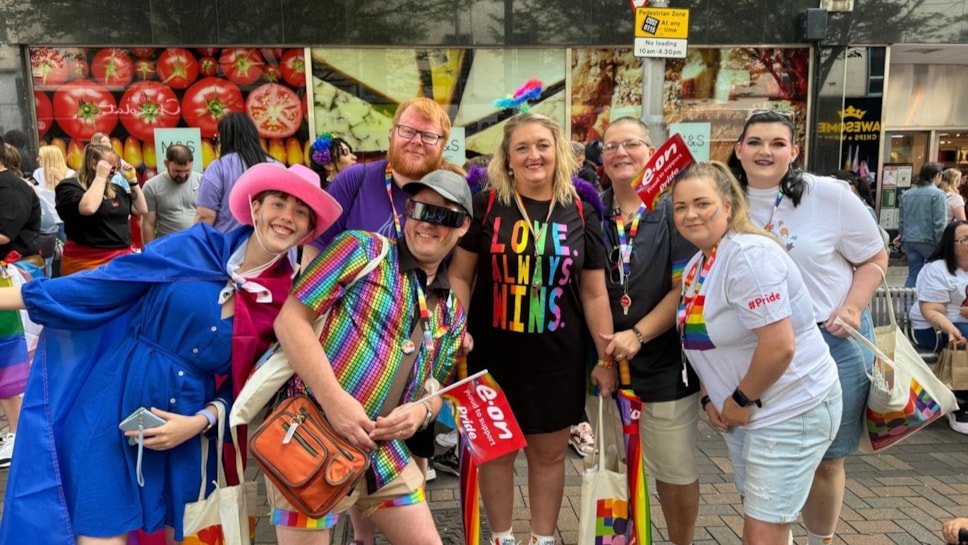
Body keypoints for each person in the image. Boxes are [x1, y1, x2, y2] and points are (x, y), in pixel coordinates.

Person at [0, 162, 342, 544]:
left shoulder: (285, 307)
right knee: (97, 530)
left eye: (301, 213)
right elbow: (104, 285)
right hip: (113, 405)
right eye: (279, 203)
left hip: (189, 437)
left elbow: (254, 389)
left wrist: (199, 422)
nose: (286, 218)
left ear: (309, 230)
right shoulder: (193, 246)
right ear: (256, 205)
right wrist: (8, 299)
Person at [270, 169, 472, 545]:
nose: (426, 224)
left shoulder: (453, 313)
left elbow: (437, 387)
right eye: (419, 209)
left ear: (462, 227)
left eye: (442, 215)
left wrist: (422, 413)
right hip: (310, 439)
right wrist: (335, 402)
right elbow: (290, 322)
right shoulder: (360, 250)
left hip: (385, 455)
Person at [448, 112, 616, 545]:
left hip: (558, 360)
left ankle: (542, 540)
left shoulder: (580, 210)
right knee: (496, 455)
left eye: (542, 144)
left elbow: (595, 293)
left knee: (549, 456)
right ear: (506, 157)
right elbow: (462, 276)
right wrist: (455, 330)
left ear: (558, 151)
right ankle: (502, 538)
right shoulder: (486, 205)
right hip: (491, 357)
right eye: (521, 147)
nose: (533, 155)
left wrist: (605, 358)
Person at [300, 96, 454, 545]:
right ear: (391, 133)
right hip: (350, 346)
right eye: (408, 130)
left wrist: (452, 328)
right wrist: (312, 315)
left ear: (442, 143)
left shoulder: (449, 188)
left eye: (429, 135)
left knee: (407, 446)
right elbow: (315, 252)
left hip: (416, 344)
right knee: (343, 451)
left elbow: (457, 270)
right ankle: (362, 537)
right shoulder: (356, 179)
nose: (416, 141)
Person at [729, 111, 887, 545]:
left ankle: (823, 539)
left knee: (828, 458)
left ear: (794, 151)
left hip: (830, 342)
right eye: (755, 142)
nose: (765, 151)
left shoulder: (829, 195)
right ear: (739, 149)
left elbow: (874, 259)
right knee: (762, 454)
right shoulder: (723, 200)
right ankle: (778, 532)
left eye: (778, 143)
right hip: (756, 350)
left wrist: (853, 308)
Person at [671, 161, 842, 545]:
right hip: (747, 412)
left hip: (788, 406)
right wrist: (707, 397)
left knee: (762, 530)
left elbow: (780, 346)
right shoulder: (701, 262)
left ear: (729, 206)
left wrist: (739, 399)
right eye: (680, 207)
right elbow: (700, 339)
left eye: (702, 203)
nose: (689, 214)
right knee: (764, 515)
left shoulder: (747, 256)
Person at [598, 117, 701, 545]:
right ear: (601, 159)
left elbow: (684, 288)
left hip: (665, 367)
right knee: (613, 469)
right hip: (605, 367)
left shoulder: (675, 209)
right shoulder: (592, 210)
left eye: (632, 144)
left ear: (652, 150)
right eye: (611, 146)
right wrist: (604, 356)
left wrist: (638, 334)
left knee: (674, 470)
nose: (621, 153)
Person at [0, 136, 42, 468]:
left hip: (12, 280)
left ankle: (18, 432)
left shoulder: (11, 189)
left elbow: (3, 234)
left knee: (11, 356)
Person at [908, 220, 968, 433]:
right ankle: (960, 402)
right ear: (950, 245)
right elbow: (931, 310)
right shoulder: (938, 269)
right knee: (965, 339)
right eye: (964, 239)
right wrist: (951, 329)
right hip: (931, 328)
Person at [55, 144, 148, 275]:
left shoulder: (116, 188)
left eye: (117, 168)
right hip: (86, 261)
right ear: (94, 164)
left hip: (119, 259)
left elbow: (141, 209)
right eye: (111, 168)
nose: (115, 173)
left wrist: (133, 181)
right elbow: (88, 208)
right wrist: (100, 177)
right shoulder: (69, 187)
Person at [195, 112, 281, 232]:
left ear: (225, 138)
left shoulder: (218, 168)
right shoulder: (278, 167)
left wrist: (195, 245)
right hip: (273, 244)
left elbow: (205, 216)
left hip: (229, 247)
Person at [897, 162, 946, 287]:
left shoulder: (907, 194)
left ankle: (907, 302)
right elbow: (939, 222)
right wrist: (943, 244)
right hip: (930, 240)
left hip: (910, 239)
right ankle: (929, 301)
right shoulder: (938, 194)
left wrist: (903, 238)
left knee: (914, 274)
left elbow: (902, 220)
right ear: (937, 175)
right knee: (935, 273)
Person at [141, 144, 201, 243]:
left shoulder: (202, 181)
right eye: (177, 171)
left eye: (187, 171)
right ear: (166, 163)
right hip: (168, 248)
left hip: (198, 245)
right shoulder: (152, 186)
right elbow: (148, 224)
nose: (182, 175)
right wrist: (149, 253)